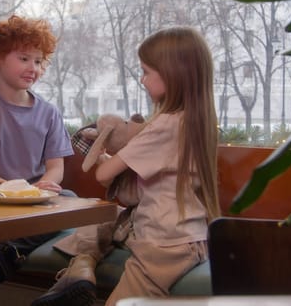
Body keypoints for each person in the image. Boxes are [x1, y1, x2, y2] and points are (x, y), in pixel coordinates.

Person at [31, 26, 221, 306]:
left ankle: (79, 270)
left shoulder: (165, 126)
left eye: (146, 72)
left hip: (165, 245)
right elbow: (132, 193)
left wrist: (104, 151)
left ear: (173, 74)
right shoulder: (192, 121)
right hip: (185, 236)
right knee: (96, 218)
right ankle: (80, 272)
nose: (142, 80)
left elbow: (104, 174)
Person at [0, 14, 74, 306]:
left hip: (36, 201)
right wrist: (12, 188)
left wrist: (45, 184)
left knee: (68, 197)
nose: (33, 68)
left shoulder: (49, 113)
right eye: (24, 58)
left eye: (38, 61)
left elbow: (56, 167)